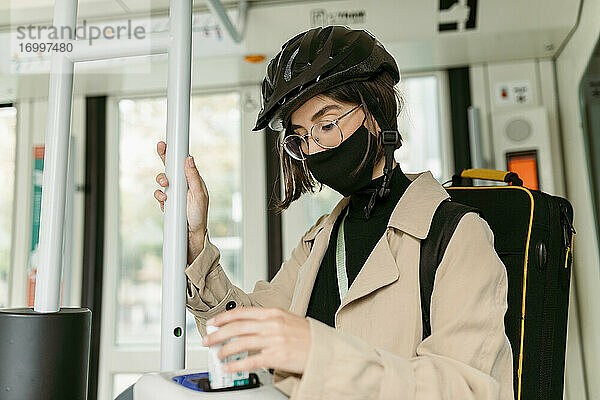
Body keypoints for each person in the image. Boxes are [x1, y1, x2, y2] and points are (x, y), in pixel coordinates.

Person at [153, 26, 513, 399]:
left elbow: (467, 388)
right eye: (300, 137)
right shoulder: (321, 238)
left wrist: (315, 351)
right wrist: (196, 242)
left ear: (376, 113)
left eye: (326, 124)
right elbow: (248, 338)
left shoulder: (456, 234)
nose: (316, 148)